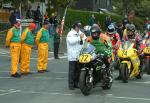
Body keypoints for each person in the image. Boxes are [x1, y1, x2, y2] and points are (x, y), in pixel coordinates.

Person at [66, 21, 87, 90]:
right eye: (77, 27)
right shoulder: (70, 33)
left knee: (78, 71)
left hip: (79, 55)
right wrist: (79, 38)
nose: (78, 28)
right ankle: (71, 85)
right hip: (72, 55)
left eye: (79, 27)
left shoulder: (80, 33)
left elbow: (86, 40)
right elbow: (71, 42)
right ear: (74, 26)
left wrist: (86, 43)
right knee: (72, 71)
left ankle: (76, 83)